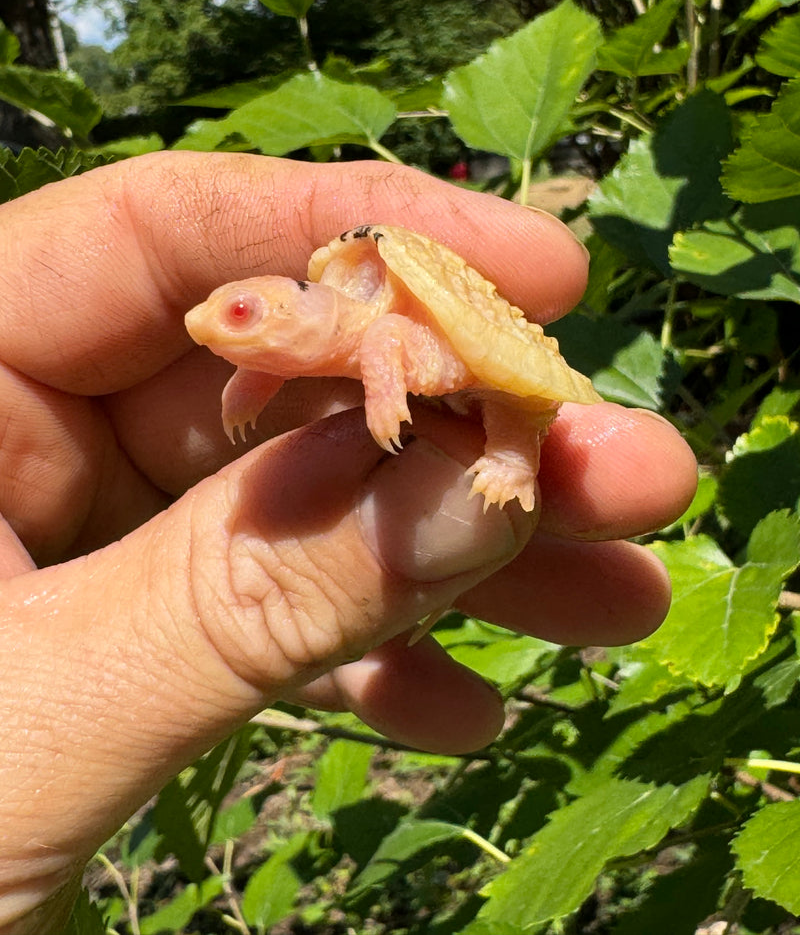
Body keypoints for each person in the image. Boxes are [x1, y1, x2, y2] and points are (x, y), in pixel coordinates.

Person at [0, 152, 697, 934]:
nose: (218, 328)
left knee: (513, 420)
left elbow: (386, 342)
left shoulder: (378, 323)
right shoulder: (318, 324)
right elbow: (283, 359)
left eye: (242, 316)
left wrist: (396, 394)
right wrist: (252, 373)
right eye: (226, 319)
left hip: (480, 375)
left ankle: (509, 457)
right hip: (405, 370)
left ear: (306, 303)